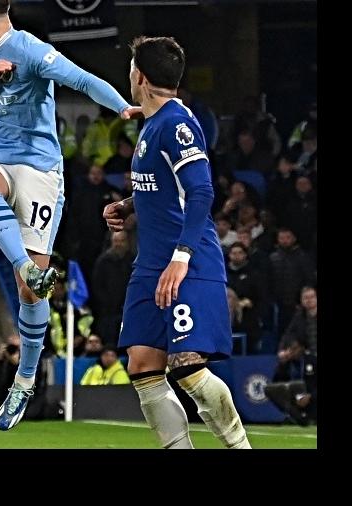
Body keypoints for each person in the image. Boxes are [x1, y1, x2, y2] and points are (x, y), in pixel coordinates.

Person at [0, 0, 139, 431]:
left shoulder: (29, 49)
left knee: (31, 296)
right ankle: (23, 266)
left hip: (39, 169)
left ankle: (25, 381)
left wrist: (122, 107)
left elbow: (81, 79)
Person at [102, 36, 250, 449]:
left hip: (188, 263)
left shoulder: (176, 125)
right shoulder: (152, 123)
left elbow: (201, 192)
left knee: (187, 368)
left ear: (141, 77)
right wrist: (131, 206)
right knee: (143, 365)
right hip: (150, 265)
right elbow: (169, 188)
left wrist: (181, 258)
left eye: (131, 69)